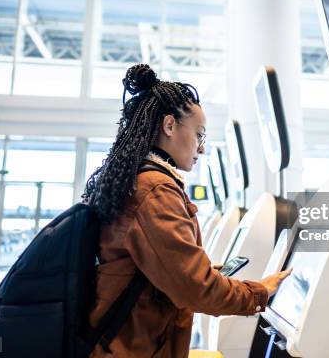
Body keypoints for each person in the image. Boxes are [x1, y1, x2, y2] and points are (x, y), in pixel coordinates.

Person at [83, 64, 292, 357]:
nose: (202, 148)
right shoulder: (155, 190)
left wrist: (204, 273)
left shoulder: (139, 181)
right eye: (199, 134)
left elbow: (161, 271)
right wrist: (260, 292)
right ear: (169, 126)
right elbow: (195, 289)